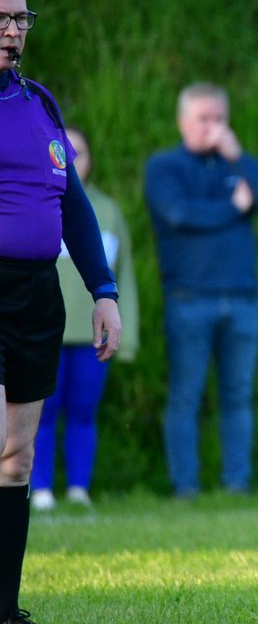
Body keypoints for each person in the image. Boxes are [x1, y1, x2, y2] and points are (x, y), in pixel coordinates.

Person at [0, 0, 122, 624]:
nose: (13, 31)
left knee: (15, 459)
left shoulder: (39, 103)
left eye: (20, 19)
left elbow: (72, 207)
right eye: (1, 19)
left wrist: (103, 292)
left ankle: (4, 613)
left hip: (36, 295)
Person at [144, 83, 258, 499]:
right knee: (186, 393)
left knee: (237, 394)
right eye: (203, 119)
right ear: (183, 121)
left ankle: (236, 484)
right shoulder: (164, 166)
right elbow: (179, 215)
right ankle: (185, 486)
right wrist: (234, 208)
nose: (212, 128)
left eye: (219, 119)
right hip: (189, 298)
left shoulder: (234, 165)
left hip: (242, 299)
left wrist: (239, 157)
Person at [31, 128, 140, 511]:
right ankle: (39, 489)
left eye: (80, 151)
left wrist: (127, 333)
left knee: (83, 412)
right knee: (41, 413)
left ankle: (79, 489)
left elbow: (123, 276)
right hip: (45, 331)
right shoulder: (33, 204)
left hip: (91, 334)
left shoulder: (107, 211)